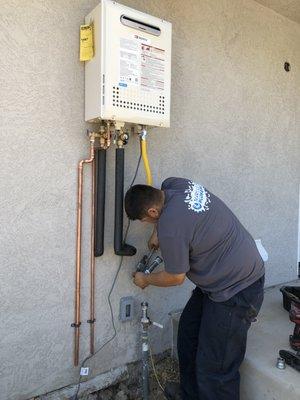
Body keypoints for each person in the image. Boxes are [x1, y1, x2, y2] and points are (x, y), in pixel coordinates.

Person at [125, 177, 265, 400]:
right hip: (219, 279)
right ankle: (190, 395)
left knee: (216, 368)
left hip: (238, 287)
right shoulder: (175, 185)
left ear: (153, 211)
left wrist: (145, 279)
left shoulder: (171, 227)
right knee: (188, 336)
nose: (147, 224)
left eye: (145, 221)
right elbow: (171, 214)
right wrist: (157, 231)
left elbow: (175, 277)